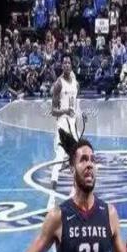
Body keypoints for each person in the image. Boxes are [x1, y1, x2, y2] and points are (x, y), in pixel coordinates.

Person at [50, 55, 80, 194]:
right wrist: (65, 111)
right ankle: (53, 185)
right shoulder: (58, 84)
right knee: (60, 156)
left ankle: (76, 186)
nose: (67, 64)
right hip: (62, 124)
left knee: (77, 155)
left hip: (72, 125)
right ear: (62, 65)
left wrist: (79, 116)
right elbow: (53, 111)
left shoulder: (75, 83)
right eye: (65, 62)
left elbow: (75, 106)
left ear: (71, 65)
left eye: (69, 62)